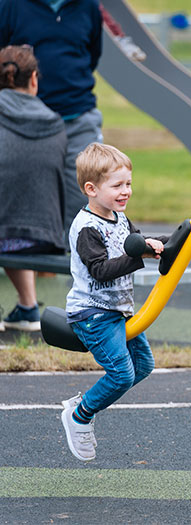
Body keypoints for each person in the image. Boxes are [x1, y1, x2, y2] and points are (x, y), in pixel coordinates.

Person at [60, 143, 167, 462]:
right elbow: (101, 270)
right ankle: (80, 414)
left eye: (129, 184)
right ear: (91, 189)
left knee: (143, 367)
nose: (126, 192)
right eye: (117, 186)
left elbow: (136, 243)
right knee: (121, 374)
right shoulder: (87, 228)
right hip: (92, 313)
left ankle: (84, 405)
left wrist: (157, 247)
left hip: (118, 310)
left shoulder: (119, 218)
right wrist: (137, 257)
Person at [0, 0, 103, 232]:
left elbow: (92, 55)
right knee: (26, 206)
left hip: (77, 118)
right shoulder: (10, 5)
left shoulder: (88, 6)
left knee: (87, 203)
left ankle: (80, 264)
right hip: (24, 126)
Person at [0, 44, 67, 332]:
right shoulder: (56, 123)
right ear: (34, 79)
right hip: (44, 236)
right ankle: (28, 306)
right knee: (17, 216)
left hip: (5, 232)